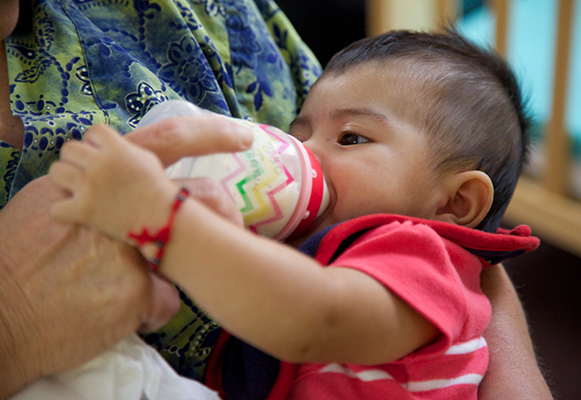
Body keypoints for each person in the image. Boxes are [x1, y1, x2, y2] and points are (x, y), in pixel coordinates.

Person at [0, 0, 552, 399]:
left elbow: (319, 317)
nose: (303, 153)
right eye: (299, 130)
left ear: (455, 205)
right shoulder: (333, 237)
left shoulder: (417, 258)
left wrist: (167, 225)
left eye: (352, 138)